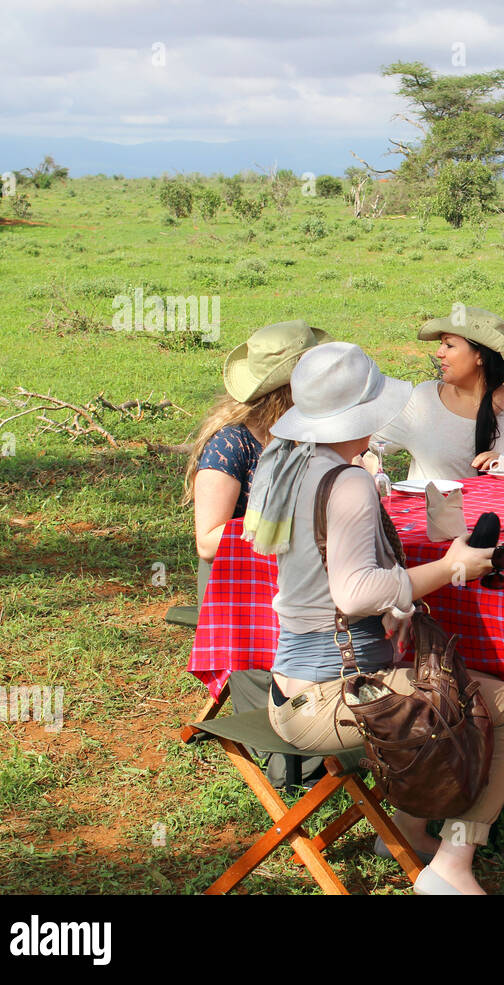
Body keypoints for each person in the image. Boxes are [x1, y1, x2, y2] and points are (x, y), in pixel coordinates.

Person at [250, 340, 504, 896]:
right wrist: (450, 566)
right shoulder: (350, 481)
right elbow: (355, 592)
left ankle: (405, 828)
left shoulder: (285, 462)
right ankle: (453, 863)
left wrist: (399, 602)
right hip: (333, 697)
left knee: (462, 694)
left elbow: (313, 580)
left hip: (287, 689)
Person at [183, 319, 331, 789]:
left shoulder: (306, 433)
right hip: (237, 580)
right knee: (270, 644)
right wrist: (275, 526)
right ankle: (289, 759)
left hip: (295, 568)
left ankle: (333, 736)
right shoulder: (232, 443)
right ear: (291, 389)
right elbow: (207, 538)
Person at [370, 307, 504, 479]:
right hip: (431, 511)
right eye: (441, 344)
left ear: (480, 356)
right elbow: (367, 437)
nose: (439, 353)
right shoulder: (423, 399)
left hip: (501, 510)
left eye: (449, 345)